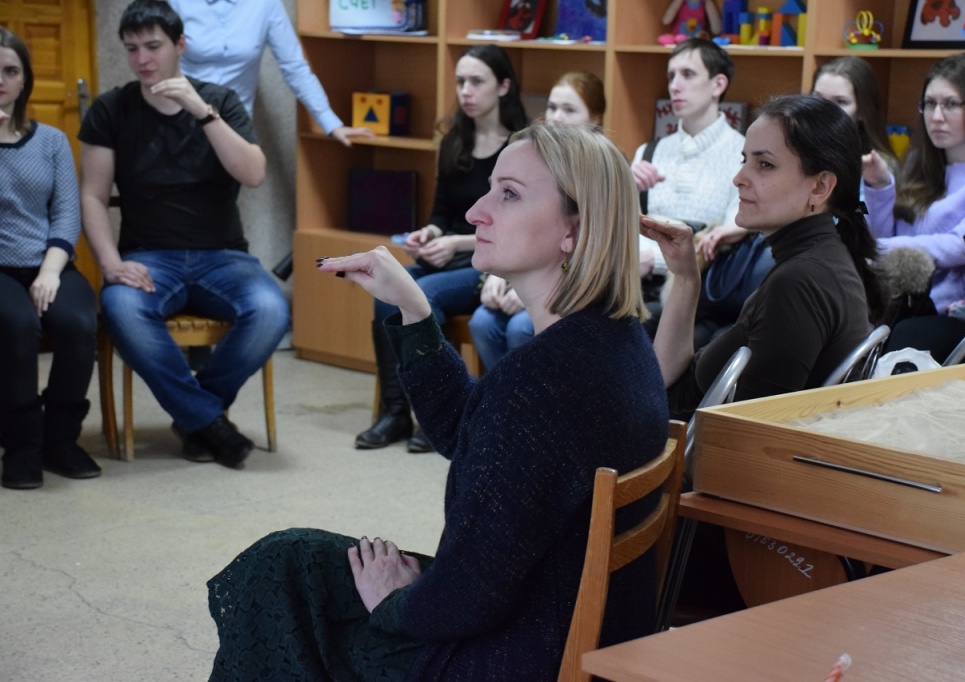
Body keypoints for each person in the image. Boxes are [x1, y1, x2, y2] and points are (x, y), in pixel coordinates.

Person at [206, 122, 669, 681]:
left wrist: (394, 604)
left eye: (509, 194)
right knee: (287, 559)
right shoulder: (619, 341)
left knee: (274, 580)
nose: (475, 212)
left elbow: (471, 595)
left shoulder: (542, 381)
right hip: (563, 624)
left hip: (516, 653)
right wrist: (415, 309)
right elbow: (476, 435)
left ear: (574, 228)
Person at [78, 0, 290, 469]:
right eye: (132, 48)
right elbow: (92, 195)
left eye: (153, 46)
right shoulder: (111, 109)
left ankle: (197, 419)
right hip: (150, 256)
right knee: (121, 307)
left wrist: (202, 113)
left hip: (224, 256)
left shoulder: (220, 101)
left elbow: (254, 174)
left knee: (272, 310)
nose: (142, 59)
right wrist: (110, 263)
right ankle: (210, 424)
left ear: (180, 45)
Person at [648, 93, 883, 421]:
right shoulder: (816, 262)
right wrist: (687, 277)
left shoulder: (800, 282)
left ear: (820, 188)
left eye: (765, 165)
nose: (738, 178)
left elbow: (752, 435)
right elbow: (670, 384)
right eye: (744, 159)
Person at [356, 43, 528, 452]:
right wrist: (429, 234)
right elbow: (442, 213)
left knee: (423, 296)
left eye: (476, 82)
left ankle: (440, 410)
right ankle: (396, 411)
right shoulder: (454, 141)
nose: (465, 91)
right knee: (385, 292)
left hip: (491, 261)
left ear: (504, 86)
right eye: (460, 82)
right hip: (449, 254)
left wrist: (456, 242)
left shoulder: (521, 147)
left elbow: (516, 225)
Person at [0, 28, 101, 490]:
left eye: (10, 71)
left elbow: (65, 214)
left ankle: (59, 439)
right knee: (17, 326)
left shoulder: (52, 141)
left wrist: (49, 271)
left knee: (79, 323)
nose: (1, 81)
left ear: (25, 79)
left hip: (48, 261)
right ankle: (22, 445)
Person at [863, 53, 965, 322]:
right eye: (929, 104)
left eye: (951, 104)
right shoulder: (919, 160)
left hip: (952, 313)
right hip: (897, 301)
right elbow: (885, 238)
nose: (936, 117)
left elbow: (961, 243)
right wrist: (879, 186)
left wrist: (873, 248)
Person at [468, 70, 604, 370]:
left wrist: (529, 290)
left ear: (595, 118)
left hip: (571, 287)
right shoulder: (536, 162)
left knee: (520, 328)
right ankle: (505, 395)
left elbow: (584, 253)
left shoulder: (599, 177)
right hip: (535, 276)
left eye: (569, 110)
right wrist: (500, 274)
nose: (556, 117)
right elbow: (519, 229)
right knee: (482, 323)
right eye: (552, 107)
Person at [630, 38, 752, 346]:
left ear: (718, 84)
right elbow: (619, 231)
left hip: (699, 294)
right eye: (671, 76)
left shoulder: (743, 155)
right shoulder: (649, 151)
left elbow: (725, 236)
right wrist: (624, 190)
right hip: (634, 285)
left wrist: (652, 260)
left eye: (687, 74)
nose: (674, 86)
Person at [166, 0, 373, 146]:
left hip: (233, 128)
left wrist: (330, 122)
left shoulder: (265, 4)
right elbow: (157, 58)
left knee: (221, 194)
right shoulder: (177, 3)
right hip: (181, 120)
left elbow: (295, 67)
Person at [811, 55, 899, 186]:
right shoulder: (793, 151)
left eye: (840, 101)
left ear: (862, 111)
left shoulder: (877, 167)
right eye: (818, 98)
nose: (825, 110)